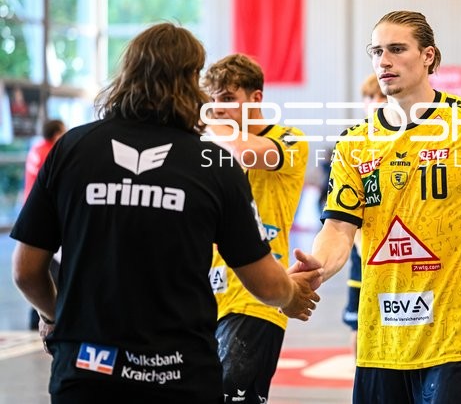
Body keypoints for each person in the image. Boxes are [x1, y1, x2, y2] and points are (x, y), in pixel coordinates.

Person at [10, 23, 320, 404]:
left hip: (86, 370)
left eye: (226, 98)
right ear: (190, 84)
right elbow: (268, 283)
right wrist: (290, 294)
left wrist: (56, 316)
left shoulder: (72, 148)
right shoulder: (210, 162)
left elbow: (25, 271)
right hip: (178, 372)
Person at [291, 10, 461, 403]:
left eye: (396, 49)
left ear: (428, 56)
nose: (383, 61)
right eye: (376, 51)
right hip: (382, 342)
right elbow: (339, 227)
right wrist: (316, 268)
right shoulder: (354, 143)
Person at [201, 54, 309, 403]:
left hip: (259, 295)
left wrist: (201, 118)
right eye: (212, 100)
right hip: (205, 295)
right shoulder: (211, 146)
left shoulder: (290, 140)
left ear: (256, 98)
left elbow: (243, 150)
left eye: (227, 98)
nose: (218, 108)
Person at [339, 74, 388, 354]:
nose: (375, 103)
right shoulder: (354, 144)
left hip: (397, 253)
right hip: (364, 255)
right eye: (370, 97)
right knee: (359, 330)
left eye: (381, 97)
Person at [23, 118, 67, 330]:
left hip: (30, 210)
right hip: (46, 214)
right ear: (57, 133)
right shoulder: (53, 153)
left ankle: (37, 315)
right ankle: (45, 316)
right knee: (48, 269)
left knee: (38, 267)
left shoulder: (37, 148)